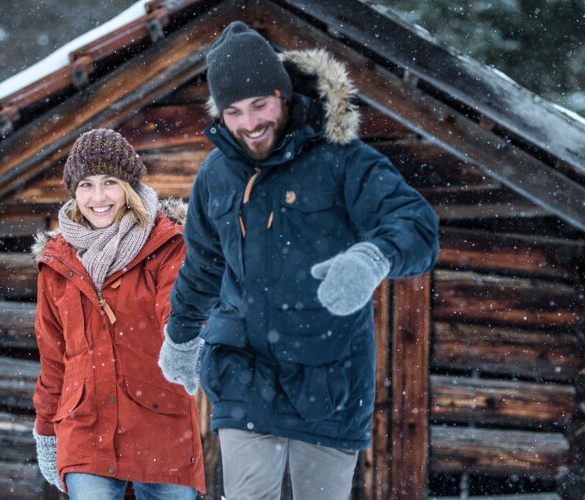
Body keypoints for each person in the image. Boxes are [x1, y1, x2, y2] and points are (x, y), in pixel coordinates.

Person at [158, 21, 440, 500]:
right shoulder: (215, 176)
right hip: (243, 374)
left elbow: (416, 224)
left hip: (329, 378)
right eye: (234, 112)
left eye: (260, 106)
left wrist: (373, 258)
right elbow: (203, 265)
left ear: (283, 95)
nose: (249, 124)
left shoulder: (342, 159)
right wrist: (181, 336)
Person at [31, 129, 205, 499]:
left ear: (128, 186)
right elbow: (53, 362)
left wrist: (189, 340)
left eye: (110, 182)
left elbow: (177, 311)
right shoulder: (56, 263)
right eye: (86, 185)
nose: (98, 197)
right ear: (73, 193)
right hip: (85, 430)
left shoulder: (167, 245)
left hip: (161, 426)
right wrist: (46, 430)